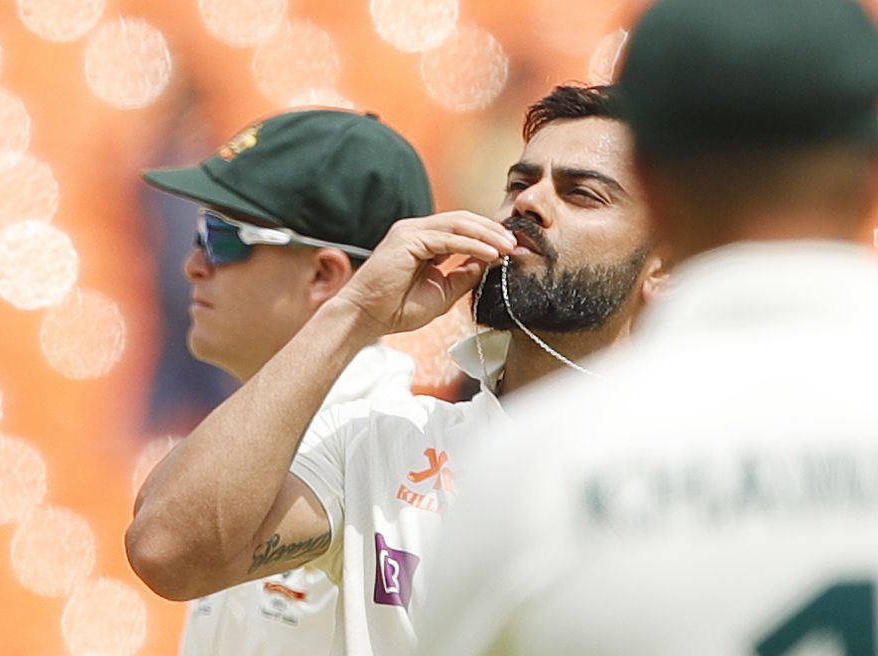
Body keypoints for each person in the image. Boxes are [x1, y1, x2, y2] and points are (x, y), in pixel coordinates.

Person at [126, 83, 667, 654]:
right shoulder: (382, 443)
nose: (527, 204)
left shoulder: (705, 474)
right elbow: (165, 552)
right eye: (518, 182)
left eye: (581, 193)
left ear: (668, 266)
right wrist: (356, 313)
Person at [416, 1, 878, 655]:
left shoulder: (527, 471)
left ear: (654, 192)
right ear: (872, 174)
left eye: (583, 190)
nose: (526, 203)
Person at [136, 108, 434, 656]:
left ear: (325, 276)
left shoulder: (379, 451)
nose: (194, 264)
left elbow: (158, 547)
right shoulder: (252, 429)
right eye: (198, 230)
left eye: (222, 237)